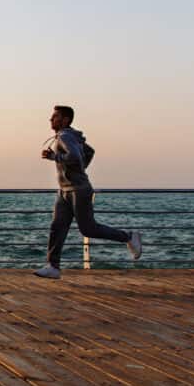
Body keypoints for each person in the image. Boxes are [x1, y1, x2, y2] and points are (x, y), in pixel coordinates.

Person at [33, 105, 142, 279]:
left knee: (88, 229)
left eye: (55, 117)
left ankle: (128, 237)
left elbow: (75, 157)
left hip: (78, 190)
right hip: (65, 190)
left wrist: (54, 157)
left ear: (65, 120)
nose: (51, 119)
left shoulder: (65, 136)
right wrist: (80, 169)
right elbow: (89, 152)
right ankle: (53, 266)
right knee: (57, 227)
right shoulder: (70, 136)